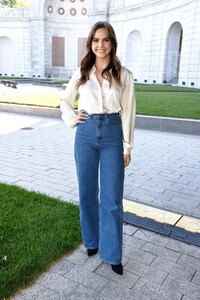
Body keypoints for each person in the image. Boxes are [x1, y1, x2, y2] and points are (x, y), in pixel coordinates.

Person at [60, 21, 136, 275]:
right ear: (90, 44)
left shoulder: (123, 74)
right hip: (86, 134)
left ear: (112, 43)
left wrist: (127, 146)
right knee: (86, 193)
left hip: (113, 133)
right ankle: (91, 242)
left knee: (112, 199)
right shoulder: (82, 71)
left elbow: (128, 113)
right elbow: (65, 100)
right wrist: (72, 119)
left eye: (105, 40)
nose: (100, 45)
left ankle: (112, 253)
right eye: (95, 40)